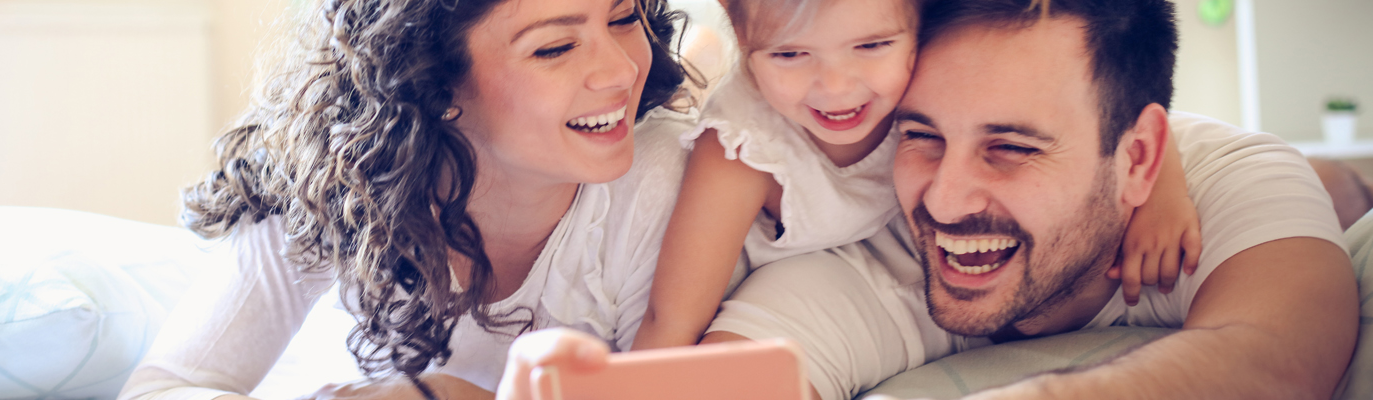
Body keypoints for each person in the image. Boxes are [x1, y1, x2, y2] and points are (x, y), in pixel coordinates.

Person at [504, 0, 1359, 398]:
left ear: (1140, 156)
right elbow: (733, 375)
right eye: (917, 134)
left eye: (1012, 147)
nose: (944, 199)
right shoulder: (868, 252)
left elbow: (1283, 353)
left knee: (1336, 188)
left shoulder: (1223, 177)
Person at [117, 0, 697, 398]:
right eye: (555, 48)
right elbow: (161, 386)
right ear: (433, 79)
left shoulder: (663, 183)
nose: (622, 69)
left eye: (624, 17)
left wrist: (452, 396)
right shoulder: (332, 186)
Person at [631, 0, 1202, 351]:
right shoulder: (742, 149)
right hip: (744, 289)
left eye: (872, 45)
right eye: (788, 55)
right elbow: (671, 317)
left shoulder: (928, 55)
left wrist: (1160, 193)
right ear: (737, 28)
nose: (837, 87)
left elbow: (1129, 113)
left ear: (916, 18)